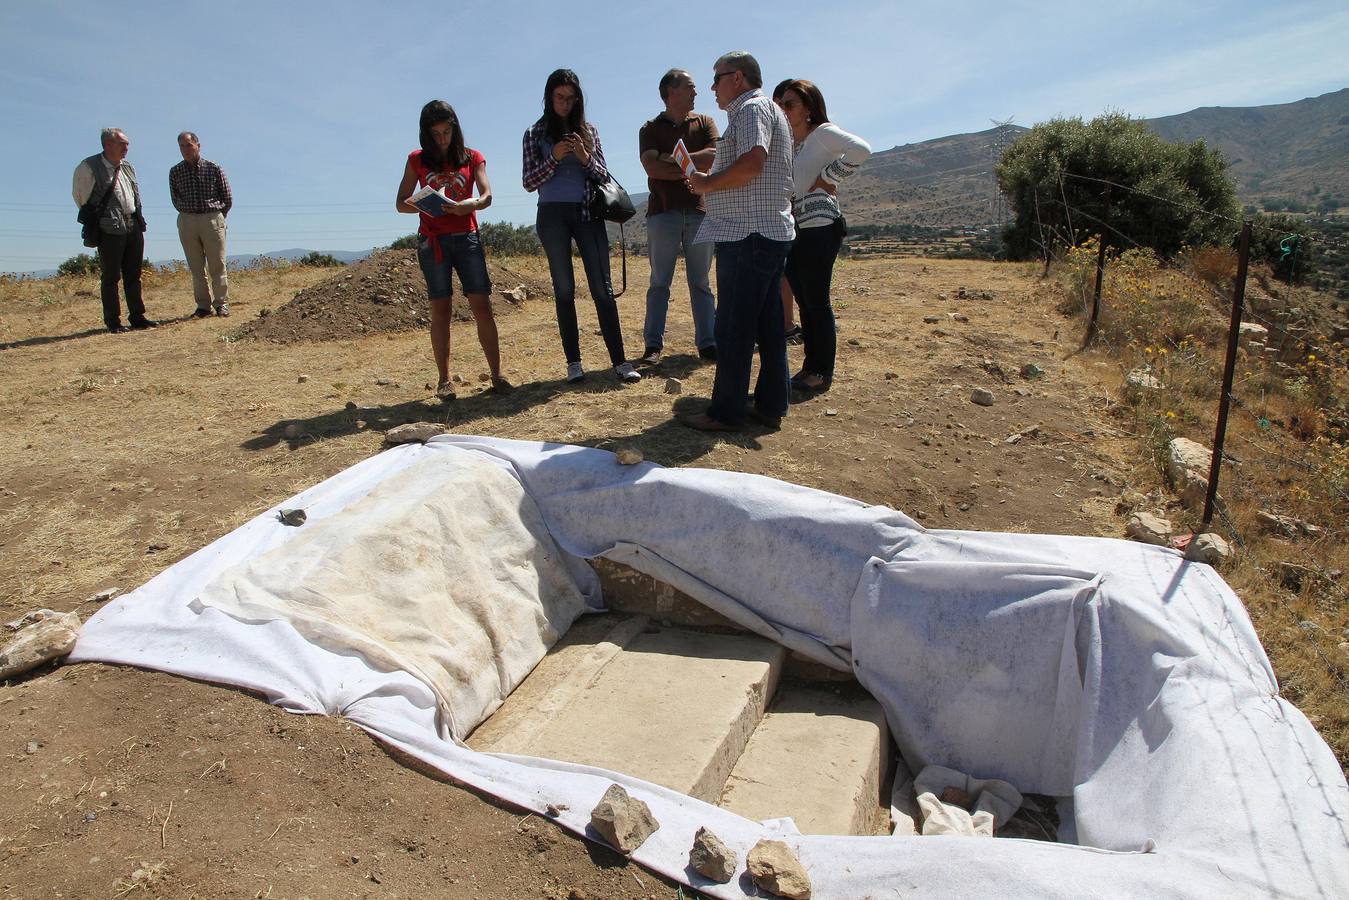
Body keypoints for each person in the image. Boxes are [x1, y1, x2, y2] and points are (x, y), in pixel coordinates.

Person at [683, 51, 795, 432]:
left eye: (718, 78)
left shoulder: (750, 109)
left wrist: (707, 183)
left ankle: (726, 412)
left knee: (732, 327)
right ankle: (770, 406)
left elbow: (752, 163)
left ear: (739, 78)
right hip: (764, 233)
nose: (713, 86)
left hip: (747, 234)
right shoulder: (763, 109)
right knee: (766, 325)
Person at [523, 68, 640, 385]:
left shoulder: (588, 130)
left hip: (589, 213)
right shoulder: (534, 133)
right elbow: (528, 182)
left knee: (603, 289)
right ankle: (573, 364)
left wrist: (584, 155)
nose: (566, 104)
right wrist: (554, 158)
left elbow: (603, 174)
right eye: (560, 98)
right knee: (564, 290)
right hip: (552, 215)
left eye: (571, 98)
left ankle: (620, 362)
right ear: (549, 97)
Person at [397, 100, 506, 400]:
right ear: (426, 134)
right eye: (436, 133)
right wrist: (425, 202)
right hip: (432, 242)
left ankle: (497, 375)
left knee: (481, 305)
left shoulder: (472, 157)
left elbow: (487, 195)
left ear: (455, 129)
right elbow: (400, 203)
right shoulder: (416, 160)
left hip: (467, 237)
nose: (442, 139)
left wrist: (469, 204)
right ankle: (444, 380)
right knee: (440, 309)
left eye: (447, 131)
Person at [773, 79, 871, 394]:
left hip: (820, 226)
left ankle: (821, 372)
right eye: (780, 104)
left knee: (816, 300)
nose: (783, 110)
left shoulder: (823, 134)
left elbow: (861, 149)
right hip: (795, 227)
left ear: (809, 108)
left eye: (789, 104)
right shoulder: (788, 143)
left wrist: (828, 177)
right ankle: (810, 367)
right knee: (804, 299)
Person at [636, 68, 719, 366]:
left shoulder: (706, 122)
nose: (697, 93)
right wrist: (691, 166)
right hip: (663, 214)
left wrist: (671, 159)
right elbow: (652, 169)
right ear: (672, 92)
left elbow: (715, 157)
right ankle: (652, 346)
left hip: (699, 212)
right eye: (691, 87)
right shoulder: (649, 128)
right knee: (660, 282)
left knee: (701, 282)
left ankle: (708, 343)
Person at [72, 128, 157, 334]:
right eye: (122, 143)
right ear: (108, 144)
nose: (127, 148)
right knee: (111, 276)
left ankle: (137, 317)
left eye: (127, 144)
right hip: (108, 227)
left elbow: (135, 195)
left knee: (133, 274)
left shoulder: (128, 166)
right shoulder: (88, 166)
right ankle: (113, 321)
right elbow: (81, 198)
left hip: (132, 224)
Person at [169, 131, 233, 318]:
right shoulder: (175, 171)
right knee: (196, 267)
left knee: (217, 265)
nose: (185, 150)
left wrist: (218, 216)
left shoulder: (214, 168)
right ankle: (203, 307)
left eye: (189, 145)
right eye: (181, 146)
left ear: (198, 145)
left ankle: (221, 304)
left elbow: (227, 197)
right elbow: (175, 198)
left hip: (211, 218)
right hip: (187, 219)